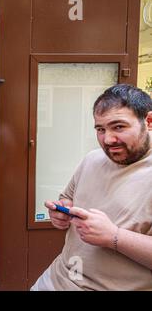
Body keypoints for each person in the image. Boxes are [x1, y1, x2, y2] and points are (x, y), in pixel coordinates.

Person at [31, 84, 152, 291]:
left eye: (119, 127)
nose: (107, 139)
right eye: (100, 129)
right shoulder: (93, 158)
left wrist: (114, 236)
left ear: (149, 121)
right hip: (54, 280)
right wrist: (62, 211)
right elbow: (68, 198)